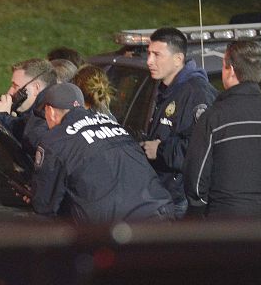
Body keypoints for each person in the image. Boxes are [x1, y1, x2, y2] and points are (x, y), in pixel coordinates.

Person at [183, 41, 261, 219]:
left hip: (224, 223)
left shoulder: (213, 118)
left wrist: (201, 212)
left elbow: (196, 182)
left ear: (231, 70)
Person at [30, 83, 174, 223]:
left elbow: (44, 205)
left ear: (51, 111)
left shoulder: (56, 139)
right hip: (163, 213)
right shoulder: (111, 122)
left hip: (123, 230)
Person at [141, 27, 217, 217]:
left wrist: (158, 150)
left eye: (157, 55)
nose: (149, 61)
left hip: (180, 197)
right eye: (149, 54)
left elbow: (200, 148)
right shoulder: (168, 88)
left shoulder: (196, 93)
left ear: (178, 59)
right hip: (163, 192)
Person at [0, 58, 57, 160]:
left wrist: (1, 116)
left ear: (36, 88)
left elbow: (30, 135)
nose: (10, 92)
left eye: (15, 86)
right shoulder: (46, 103)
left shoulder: (51, 110)